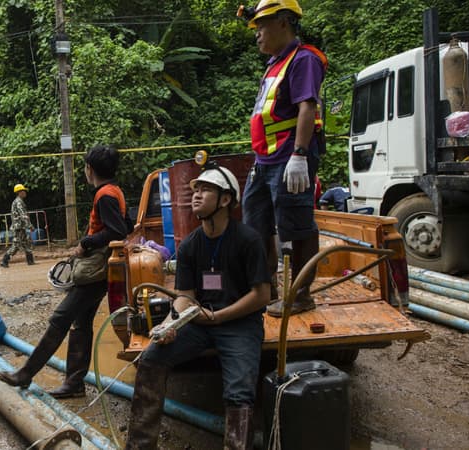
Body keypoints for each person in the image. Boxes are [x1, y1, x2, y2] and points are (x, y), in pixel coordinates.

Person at [125, 165, 270, 449]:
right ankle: (139, 445)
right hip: (199, 322)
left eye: (205, 190)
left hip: (240, 325)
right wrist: (170, 324)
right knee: (151, 359)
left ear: (225, 200)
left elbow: (261, 295)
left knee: (239, 393)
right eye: (195, 190)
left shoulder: (248, 241)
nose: (196, 195)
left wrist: (219, 316)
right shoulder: (191, 244)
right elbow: (184, 296)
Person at [0, 145, 131, 398]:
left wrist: (86, 243)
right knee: (80, 323)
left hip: (94, 272)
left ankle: (26, 374)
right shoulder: (115, 191)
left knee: (60, 318)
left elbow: (117, 230)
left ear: (89, 169)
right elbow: (127, 224)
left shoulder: (104, 194)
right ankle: (74, 384)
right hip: (101, 270)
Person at [238, 0, 328, 316]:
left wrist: (300, 154)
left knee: (294, 224)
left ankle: (300, 294)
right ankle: (266, 290)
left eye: (261, 26)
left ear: (284, 23)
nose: (257, 34)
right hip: (265, 160)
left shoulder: (303, 60)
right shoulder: (275, 63)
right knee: (254, 224)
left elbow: (307, 107)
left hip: (290, 156)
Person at [0, 184, 35, 267]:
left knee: (26, 243)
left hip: (20, 226)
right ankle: (5, 260)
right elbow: (23, 215)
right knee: (16, 245)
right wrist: (30, 226)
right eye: (24, 191)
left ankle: (30, 260)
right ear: (19, 192)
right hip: (18, 227)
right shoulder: (19, 202)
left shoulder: (19, 201)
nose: (25, 192)